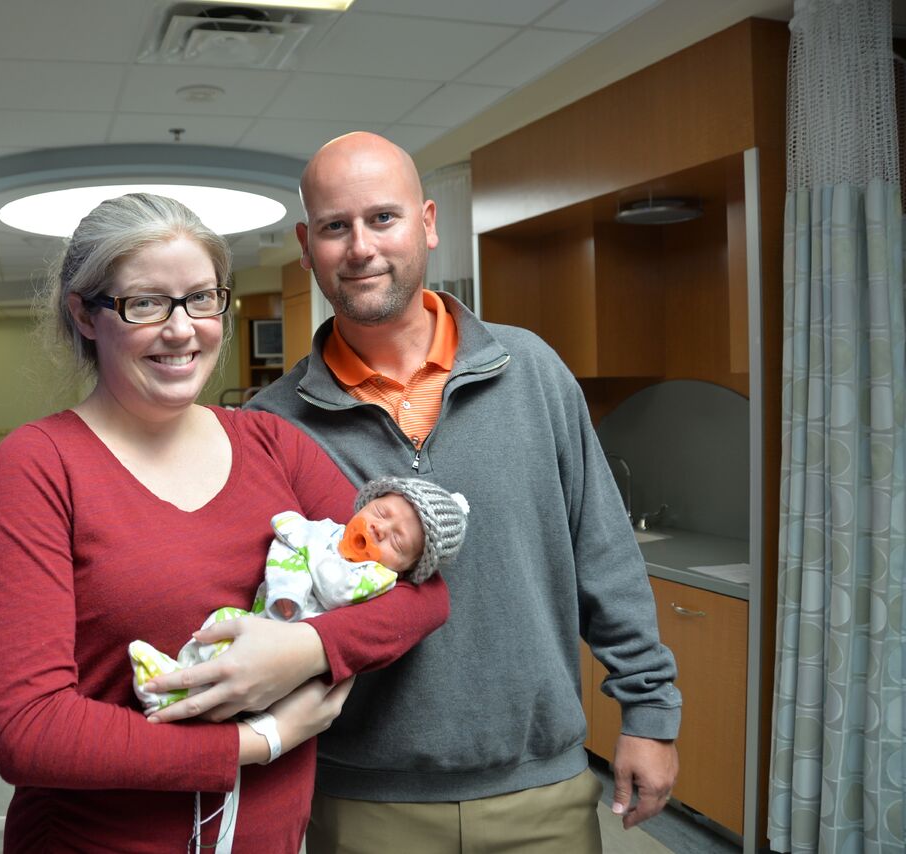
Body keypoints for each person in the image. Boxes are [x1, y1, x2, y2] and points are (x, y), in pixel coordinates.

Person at [146, 132, 682, 852]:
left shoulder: (532, 373)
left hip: (538, 789)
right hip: (361, 798)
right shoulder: (269, 425)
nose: (361, 246)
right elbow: (263, 603)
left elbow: (604, 553)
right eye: (336, 227)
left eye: (382, 218)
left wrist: (649, 712)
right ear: (307, 246)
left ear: (428, 222)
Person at [0, 192, 450, 853]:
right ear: (84, 313)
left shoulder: (274, 446)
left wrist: (298, 654)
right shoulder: (38, 469)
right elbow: (28, 730)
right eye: (144, 303)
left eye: (201, 298)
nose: (181, 328)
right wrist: (258, 740)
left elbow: (419, 594)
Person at [131, 476, 470, 715]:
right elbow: (286, 536)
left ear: (405, 570)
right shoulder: (325, 531)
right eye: (381, 513)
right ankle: (177, 671)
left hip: (295, 665)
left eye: (397, 541)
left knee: (247, 684)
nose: (380, 529)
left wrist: (307, 547)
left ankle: (175, 695)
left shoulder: (376, 577)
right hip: (262, 615)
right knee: (220, 623)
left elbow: (335, 589)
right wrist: (289, 582)